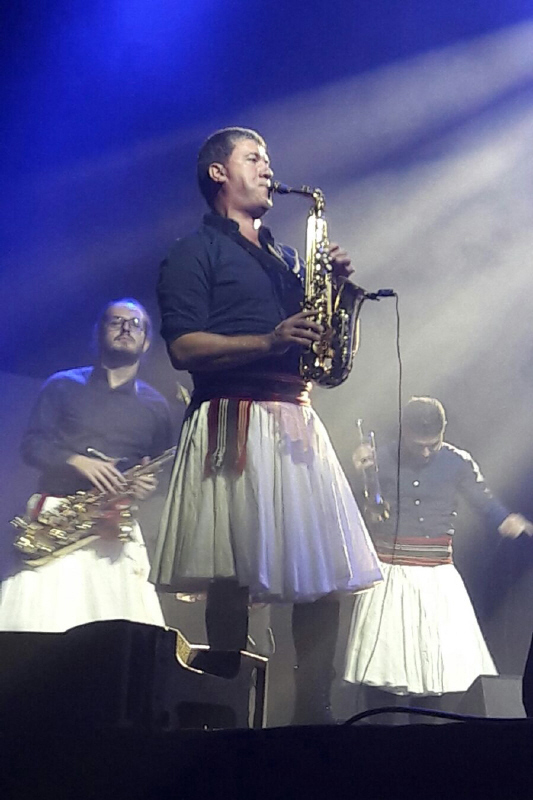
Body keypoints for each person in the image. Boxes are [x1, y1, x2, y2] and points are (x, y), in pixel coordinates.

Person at [150, 126, 382, 724]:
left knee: (321, 573)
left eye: (268, 159)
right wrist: (269, 339)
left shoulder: (288, 259)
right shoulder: (192, 252)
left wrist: (334, 289)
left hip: (295, 417)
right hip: (233, 417)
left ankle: (314, 712)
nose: (268, 169)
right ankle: (222, 710)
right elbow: (183, 347)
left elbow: (315, 343)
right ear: (218, 173)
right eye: (253, 158)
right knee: (231, 573)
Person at [343, 396, 533, 720]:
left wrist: (506, 520)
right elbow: (352, 509)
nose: (426, 452)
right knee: (384, 666)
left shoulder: (458, 462)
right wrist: (356, 472)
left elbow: (484, 501)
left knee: (434, 672)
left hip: (436, 575)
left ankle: (427, 739)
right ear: (404, 432)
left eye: (433, 444)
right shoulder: (379, 459)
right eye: (419, 445)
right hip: (391, 573)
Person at [0, 298, 173, 632]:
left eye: (135, 324)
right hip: (56, 519)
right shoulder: (61, 385)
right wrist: (75, 461)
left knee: (115, 635)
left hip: (115, 525)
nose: (125, 328)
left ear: (147, 342)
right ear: (98, 333)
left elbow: (159, 472)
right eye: (115, 321)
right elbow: (32, 446)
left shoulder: (157, 405)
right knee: (38, 628)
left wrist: (147, 487)